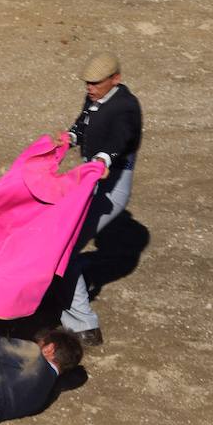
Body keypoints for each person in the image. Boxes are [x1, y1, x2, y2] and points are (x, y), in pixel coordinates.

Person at [61, 52, 142, 346]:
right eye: (87, 83)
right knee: (61, 241)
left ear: (115, 79)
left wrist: (103, 159)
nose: (89, 88)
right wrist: (70, 137)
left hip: (110, 189)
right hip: (90, 181)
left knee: (64, 247)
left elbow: (120, 140)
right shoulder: (98, 98)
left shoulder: (127, 107)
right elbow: (83, 124)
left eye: (95, 83)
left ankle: (85, 326)